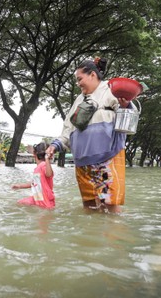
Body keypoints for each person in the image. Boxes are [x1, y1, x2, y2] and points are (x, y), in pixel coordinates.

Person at [45, 57, 132, 213]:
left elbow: (128, 123)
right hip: (82, 164)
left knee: (110, 207)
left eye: (80, 79)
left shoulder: (112, 91)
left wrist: (126, 106)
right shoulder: (79, 99)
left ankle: (114, 236)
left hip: (107, 159)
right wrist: (55, 145)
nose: (78, 83)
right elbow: (68, 128)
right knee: (89, 208)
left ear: (92, 75)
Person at [12, 142, 55, 209]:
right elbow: (34, 183)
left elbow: (49, 174)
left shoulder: (43, 165)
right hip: (38, 198)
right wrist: (20, 186)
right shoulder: (38, 168)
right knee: (20, 202)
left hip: (45, 201)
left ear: (34, 153)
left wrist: (47, 159)